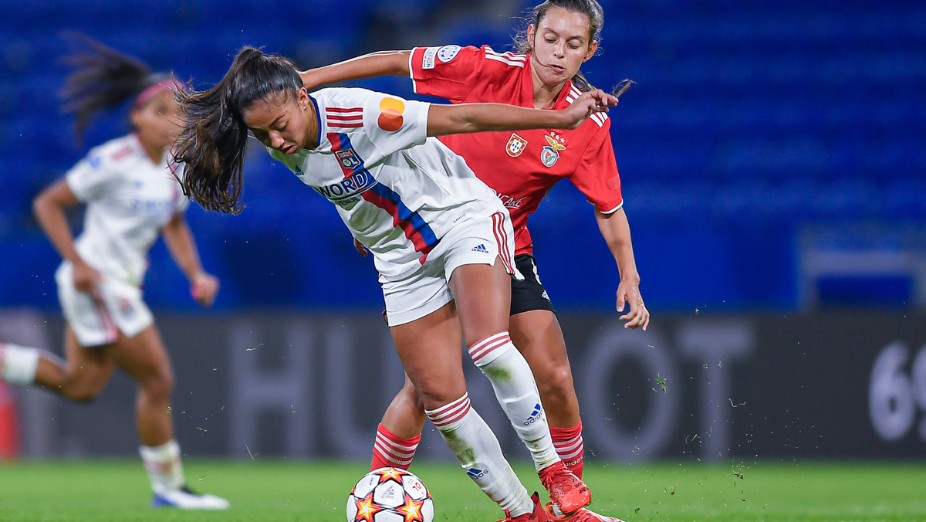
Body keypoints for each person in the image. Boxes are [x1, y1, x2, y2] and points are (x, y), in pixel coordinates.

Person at [172, 46, 619, 522]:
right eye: (262, 133)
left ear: (303, 98)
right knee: (444, 406)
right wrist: (362, 231)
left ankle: (553, 470)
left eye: (280, 124)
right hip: (401, 261)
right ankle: (523, 515)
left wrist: (561, 119)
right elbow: (346, 187)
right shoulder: (285, 146)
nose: (277, 140)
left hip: (461, 218)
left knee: (487, 345)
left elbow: (464, 119)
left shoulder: (364, 112)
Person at [299, 1, 646, 521]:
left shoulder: (587, 121)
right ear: (531, 35)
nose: (558, 52)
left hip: (504, 242)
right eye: (550, 37)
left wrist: (630, 275)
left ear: (590, 51)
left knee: (552, 372)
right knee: (427, 390)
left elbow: (609, 207)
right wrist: (307, 78)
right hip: (430, 230)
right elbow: (397, 61)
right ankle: (378, 497)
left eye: (573, 44)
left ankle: (568, 506)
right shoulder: (483, 68)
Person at [0, 35, 228, 510]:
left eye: (180, 110)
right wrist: (78, 264)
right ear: (137, 118)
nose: (174, 119)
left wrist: (195, 273)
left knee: (80, 387)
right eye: (161, 110)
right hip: (98, 280)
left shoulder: (173, 167)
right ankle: (168, 489)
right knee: (158, 379)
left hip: (116, 284)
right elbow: (48, 202)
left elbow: (174, 223)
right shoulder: (113, 160)